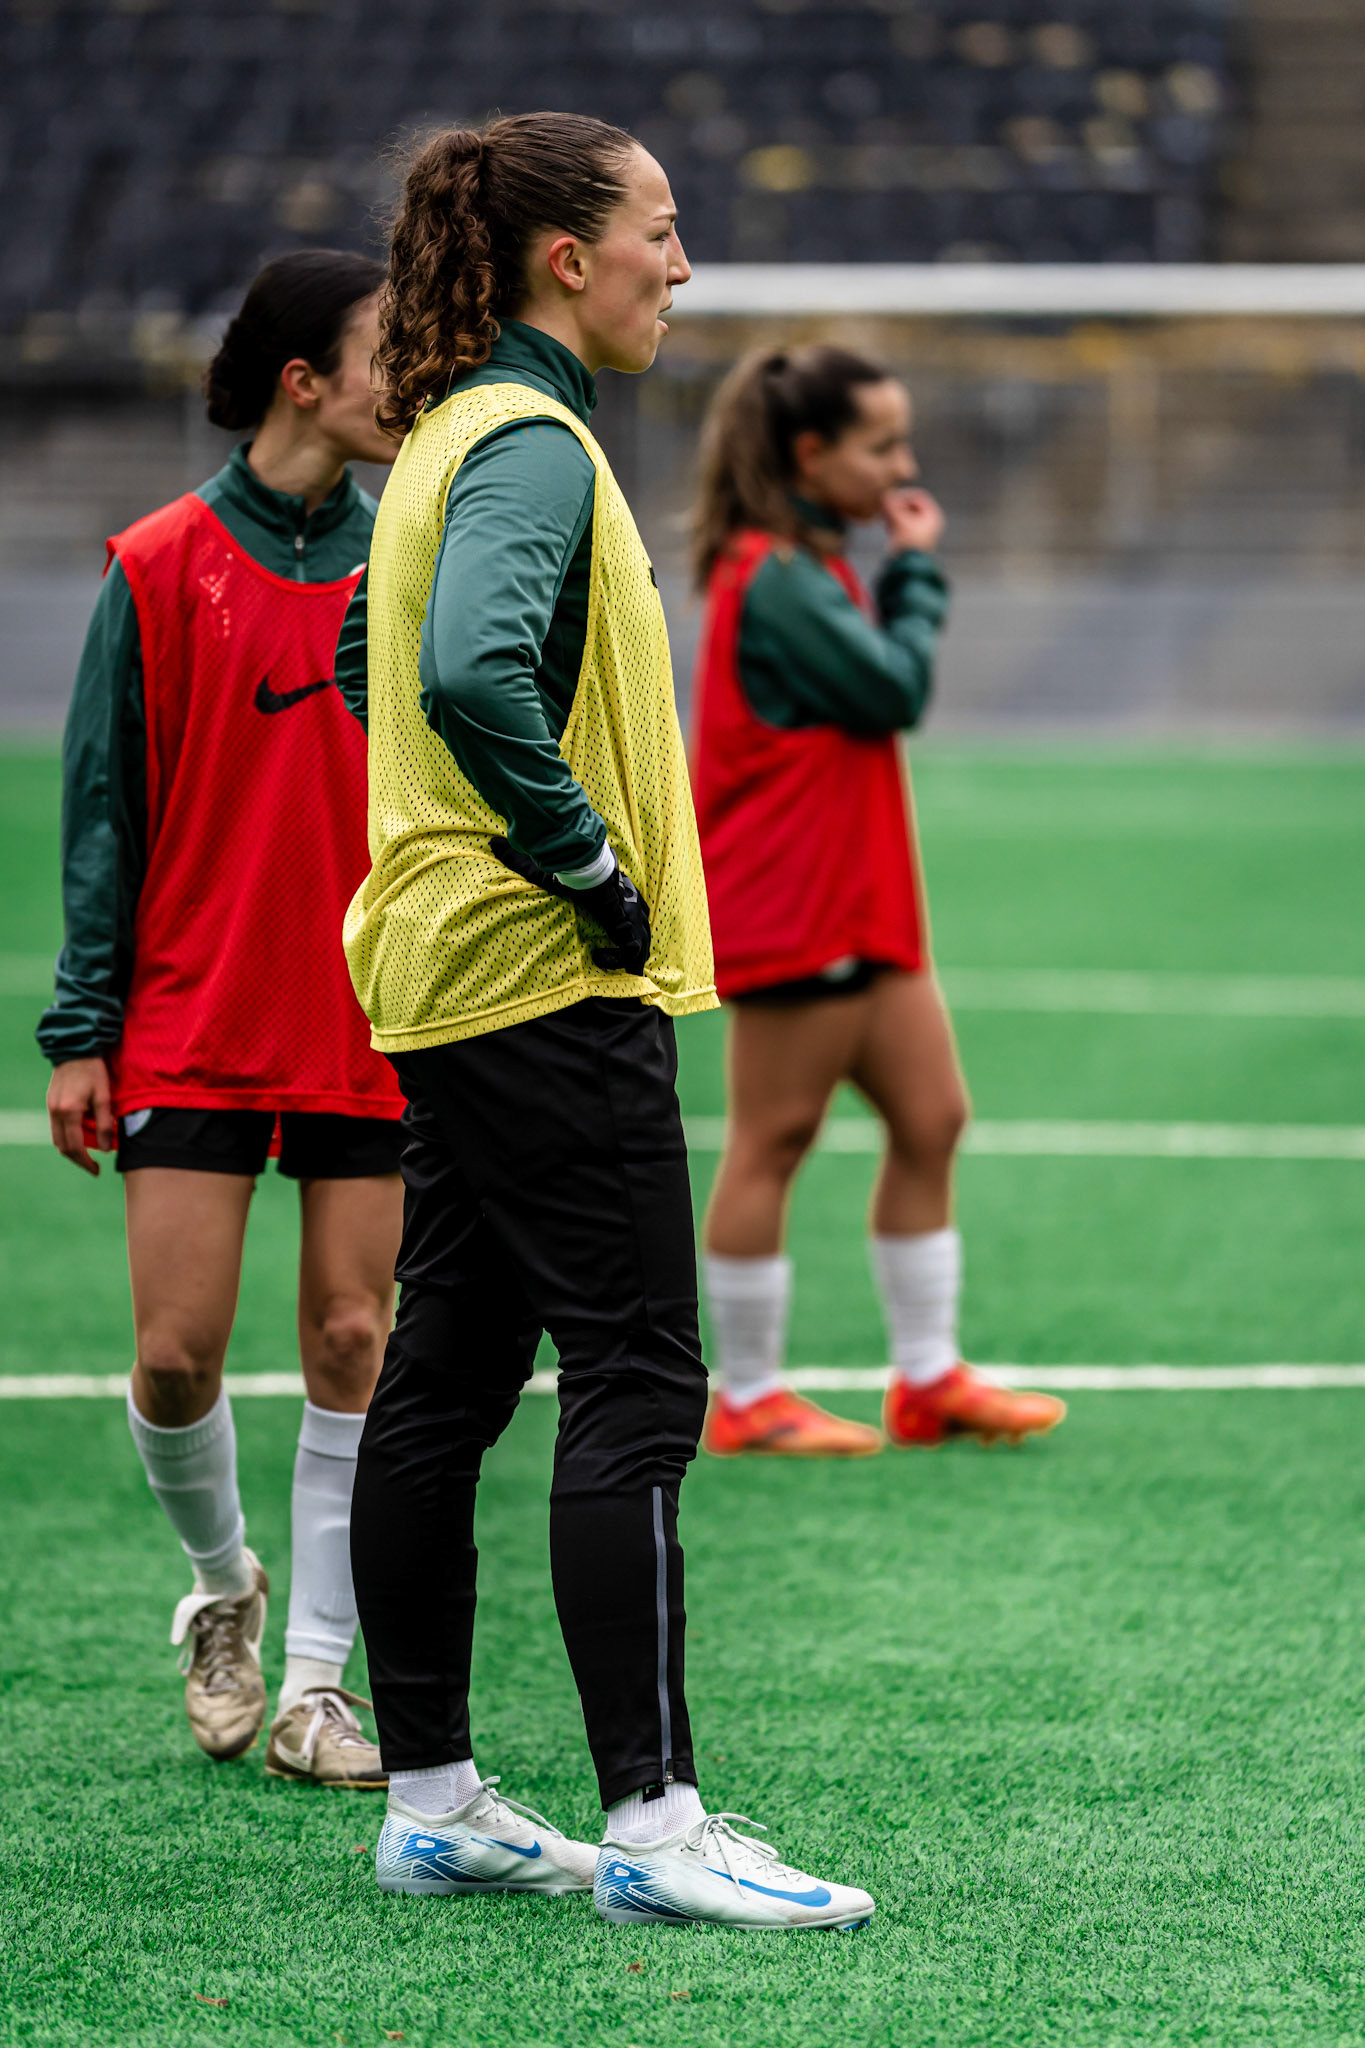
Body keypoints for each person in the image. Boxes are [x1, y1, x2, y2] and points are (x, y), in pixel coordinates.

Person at [340, 113, 875, 1930]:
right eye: (661, 226)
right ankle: (654, 1822)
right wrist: (588, 861)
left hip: (437, 965)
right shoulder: (535, 446)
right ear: (567, 257)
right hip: (537, 974)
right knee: (642, 1381)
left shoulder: (443, 438)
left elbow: (370, 652)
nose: (684, 260)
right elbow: (464, 667)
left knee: (451, 1377)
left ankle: (432, 1800)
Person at [37, 250, 408, 1786]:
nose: (419, 375)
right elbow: (102, 816)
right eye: (392, 350)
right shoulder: (154, 564)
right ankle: (226, 1587)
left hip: (371, 1012)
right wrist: (82, 1028)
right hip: (190, 1014)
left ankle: (319, 1681)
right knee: (177, 1357)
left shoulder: (421, 561)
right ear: (301, 379)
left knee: (350, 1335)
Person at [690, 345, 1066, 1457]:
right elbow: (893, 686)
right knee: (775, 1137)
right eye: (882, 444)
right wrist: (916, 571)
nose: (903, 463)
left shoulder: (806, 564)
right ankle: (749, 1392)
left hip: (860, 902)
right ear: (811, 454)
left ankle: (927, 1376)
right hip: (792, 902)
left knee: (932, 1117)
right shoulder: (775, 574)